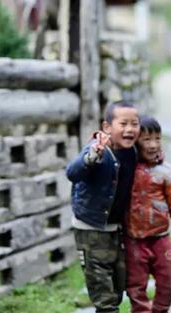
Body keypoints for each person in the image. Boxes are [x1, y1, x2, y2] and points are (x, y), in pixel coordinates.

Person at [66, 100, 140, 313]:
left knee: (117, 290)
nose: (129, 129)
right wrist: (93, 156)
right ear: (107, 127)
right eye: (123, 124)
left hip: (116, 231)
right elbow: (72, 173)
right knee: (104, 298)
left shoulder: (132, 152)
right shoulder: (97, 149)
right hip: (91, 230)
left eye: (134, 124)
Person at [124, 116, 171, 313]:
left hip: (160, 238)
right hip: (134, 240)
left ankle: (160, 310)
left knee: (168, 281)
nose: (153, 145)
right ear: (135, 142)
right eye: (146, 140)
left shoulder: (164, 171)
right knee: (135, 285)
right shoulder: (127, 170)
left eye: (157, 139)